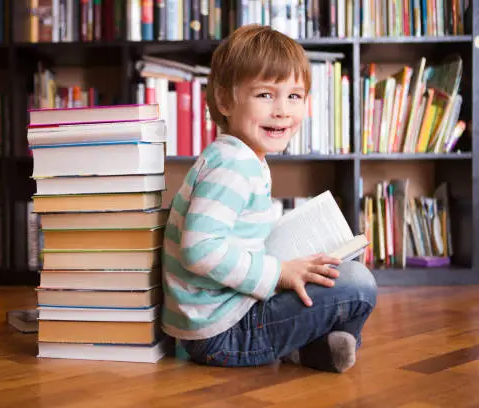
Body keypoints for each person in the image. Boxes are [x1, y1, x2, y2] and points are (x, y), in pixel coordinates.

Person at [160, 24, 377, 373]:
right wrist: (279, 272)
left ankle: (308, 350)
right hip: (221, 332)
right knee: (358, 284)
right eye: (265, 95)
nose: (282, 110)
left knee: (336, 270)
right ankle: (307, 347)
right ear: (225, 100)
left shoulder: (242, 156)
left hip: (223, 318)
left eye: (294, 96)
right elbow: (199, 249)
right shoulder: (233, 163)